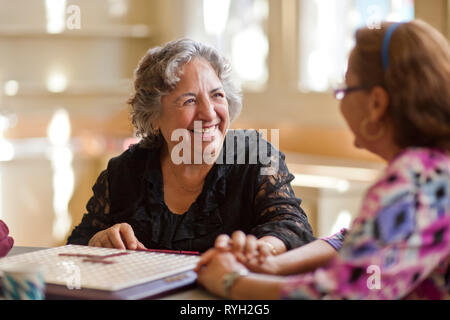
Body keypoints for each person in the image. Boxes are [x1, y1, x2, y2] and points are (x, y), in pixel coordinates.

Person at [196, 20, 450, 299]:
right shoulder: (433, 169)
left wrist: (231, 282)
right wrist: (272, 265)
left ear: (377, 103)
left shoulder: (415, 180)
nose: (339, 99)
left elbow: (338, 294)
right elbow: (352, 241)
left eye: (345, 88)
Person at [67, 38, 315, 253]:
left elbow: (291, 224)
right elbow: (75, 246)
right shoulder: (124, 172)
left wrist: (261, 248)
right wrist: (97, 241)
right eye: (189, 100)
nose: (209, 113)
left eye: (217, 95)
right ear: (154, 117)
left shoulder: (254, 156)